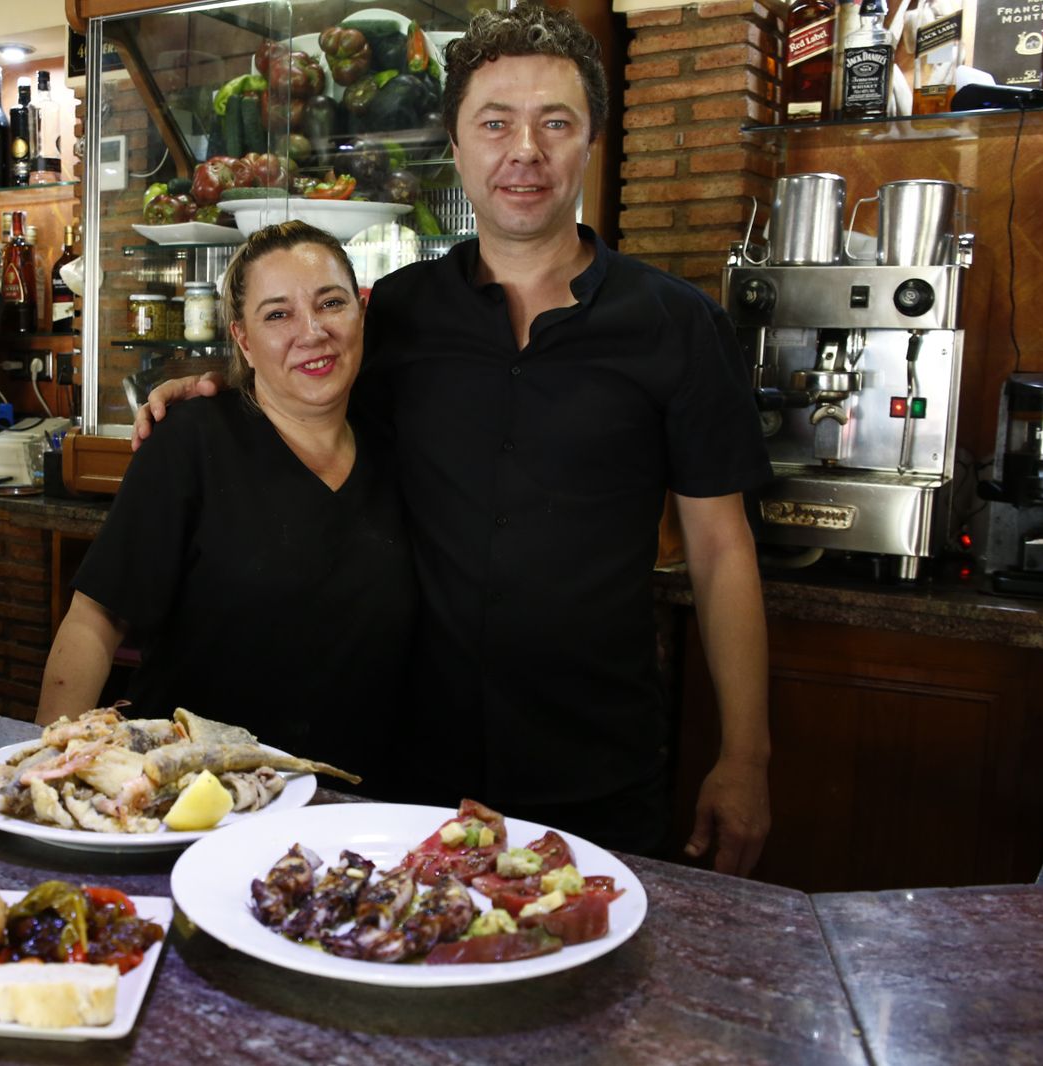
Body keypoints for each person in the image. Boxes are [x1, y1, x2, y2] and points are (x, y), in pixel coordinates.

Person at [133, 3, 772, 876]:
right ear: (458, 145)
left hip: (596, 763)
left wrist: (746, 758)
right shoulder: (396, 314)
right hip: (404, 766)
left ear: (589, 140)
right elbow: (301, 397)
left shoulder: (679, 327)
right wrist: (213, 392)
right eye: (495, 123)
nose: (526, 151)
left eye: (556, 123)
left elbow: (721, 548)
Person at [37, 221, 415, 782]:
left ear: (360, 311)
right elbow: (94, 621)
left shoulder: (399, 446)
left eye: (330, 303)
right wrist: (50, 774)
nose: (312, 332)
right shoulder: (191, 441)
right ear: (242, 338)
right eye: (277, 314)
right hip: (196, 800)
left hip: (353, 806)